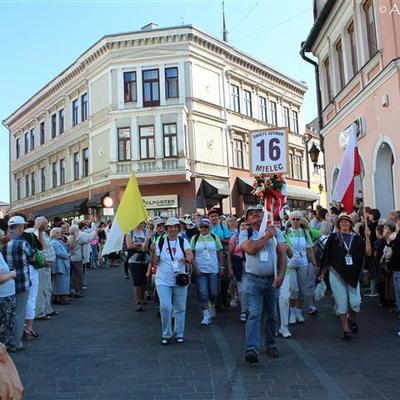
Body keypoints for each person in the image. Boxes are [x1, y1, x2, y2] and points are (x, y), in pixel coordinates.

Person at [240, 205, 287, 364]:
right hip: (253, 280)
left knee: (272, 315)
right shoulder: (244, 234)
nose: (255, 215)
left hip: (271, 279)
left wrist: (281, 274)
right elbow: (251, 249)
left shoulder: (277, 232)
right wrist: (267, 236)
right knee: (254, 314)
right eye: (251, 214)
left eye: (258, 212)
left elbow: (282, 254)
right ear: (247, 219)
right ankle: (252, 349)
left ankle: (271, 344)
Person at [320, 213, 365, 340]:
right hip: (336, 274)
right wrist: (322, 274)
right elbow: (326, 256)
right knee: (342, 303)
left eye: (346, 221)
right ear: (338, 224)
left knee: (356, 303)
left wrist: (367, 237)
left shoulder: (357, 239)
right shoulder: (333, 238)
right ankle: (346, 330)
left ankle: (352, 319)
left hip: (353, 275)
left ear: (350, 224)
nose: (344, 224)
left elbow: (366, 254)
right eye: (341, 222)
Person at [153, 217, 193, 345]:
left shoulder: (183, 241)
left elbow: (189, 254)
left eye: (175, 226)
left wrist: (187, 259)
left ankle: (179, 333)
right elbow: (155, 262)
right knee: (165, 307)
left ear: (178, 228)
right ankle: (166, 334)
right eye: (170, 227)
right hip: (163, 279)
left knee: (180, 307)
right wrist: (153, 251)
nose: (173, 229)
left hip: (180, 278)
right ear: (166, 229)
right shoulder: (160, 242)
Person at [2, 216, 34, 351]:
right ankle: (16, 342)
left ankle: (6, 340)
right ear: (20, 227)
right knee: (19, 312)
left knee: (7, 315)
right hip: (21, 281)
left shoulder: (2, 244)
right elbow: (32, 257)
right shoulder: (22, 243)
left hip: (5, 284)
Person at [285, 211, 317, 324]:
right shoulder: (286, 232)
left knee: (302, 290)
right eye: (293, 219)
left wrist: (314, 264)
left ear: (300, 221)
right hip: (290, 265)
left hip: (303, 264)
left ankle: (298, 312)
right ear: (290, 220)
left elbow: (309, 250)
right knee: (293, 289)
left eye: (297, 219)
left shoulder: (305, 232)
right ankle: (292, 313)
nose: (295, 221)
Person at [191, 217, 223, 325]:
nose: (204, 229)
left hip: (213, 268)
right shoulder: (195, 238)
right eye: (202, 227)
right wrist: (195, 267)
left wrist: (221, 267)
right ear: (199, 228)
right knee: (203, 293)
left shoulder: (215, 237)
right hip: (201, 270)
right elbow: (192, 254)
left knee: (214, 292)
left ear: (209, 228)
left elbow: (219, 253)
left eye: (206, 227)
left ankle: (212, 304)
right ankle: (205, 314)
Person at [208, 208, 231, 308]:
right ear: (209, 218)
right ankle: (217, 301)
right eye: (212, 216)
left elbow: (228, 240)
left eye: (215, 216)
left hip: (223, 254)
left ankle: (224, 295)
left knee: (224, 278)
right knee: (213, 278)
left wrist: (218, 240)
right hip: (211, 256)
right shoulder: (207, 228)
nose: (214, 218)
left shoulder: (223, 226)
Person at [34, 216, 56, 320]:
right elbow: (39, 249)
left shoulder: (44, 233)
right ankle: (40, 312)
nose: (48, 225)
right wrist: (45, 261)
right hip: (43, 265)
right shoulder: (37, 234)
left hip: (47, 265)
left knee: (47, 288)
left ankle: (48, 309)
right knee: (42, 289)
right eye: (46, 224)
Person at [126, 222, 151, 312]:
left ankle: (142, 297)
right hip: (133, 259)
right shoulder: (130, 232)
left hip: (145, 258)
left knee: (144, 280)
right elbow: (129, 245)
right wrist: (141, 245)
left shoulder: (146, 231)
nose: (140, 224)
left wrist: (137, 245)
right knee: (137, 280)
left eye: (141, 222)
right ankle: (138, 301)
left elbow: (148, 245)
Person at [0, 221, 17, 351]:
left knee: (7, 322)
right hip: (4, 294)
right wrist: (11, 274)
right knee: (5, 323)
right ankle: (5, 348)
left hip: (6, 293)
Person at [227, 218, 248, 322]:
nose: (244, 227)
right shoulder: (235, 238)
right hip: (239, 267)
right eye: (242, 225)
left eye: (246, 225)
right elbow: (229, 254)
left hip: (252, 267)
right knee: (242, 290)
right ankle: (243, 311)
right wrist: (230, 268)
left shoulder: (253, 236)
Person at [50, 228, 71, 305]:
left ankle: (58, 297)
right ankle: (61, 298)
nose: (59, 234)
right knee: (61, 282)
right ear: (53, 234)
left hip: (61, 264)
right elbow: (59, 253)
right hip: (60, 264)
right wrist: (68, 255)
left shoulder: (58, 242)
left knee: (60, 282)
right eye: (57, 233)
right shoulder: (54, 242)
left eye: (60, 232)